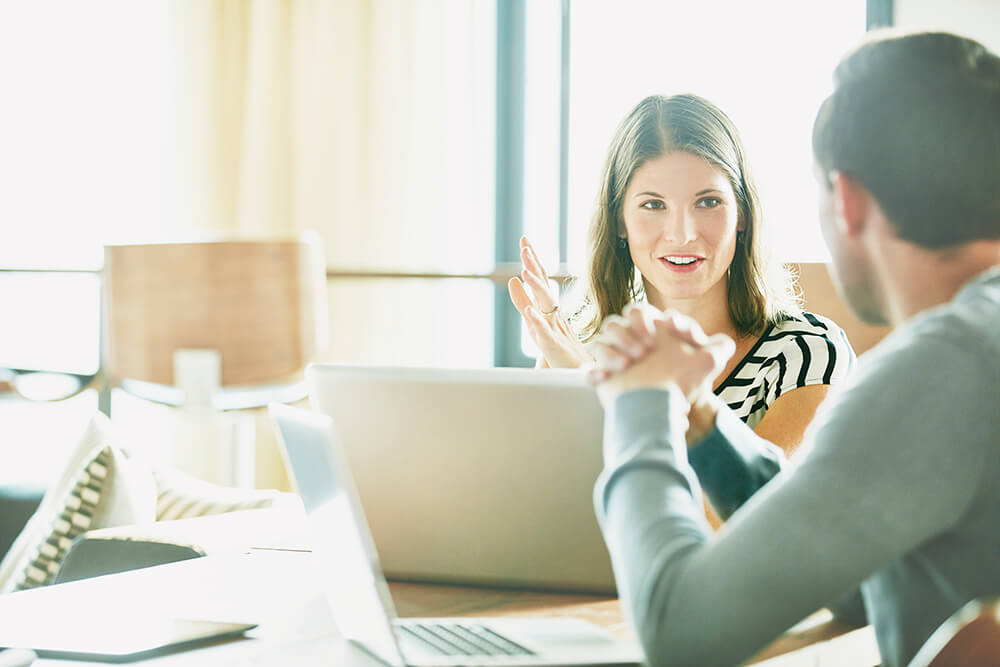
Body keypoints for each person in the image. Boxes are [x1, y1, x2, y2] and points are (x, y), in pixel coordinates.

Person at [586, 29, 1000, 667]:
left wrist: (642, 403)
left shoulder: (940, 366)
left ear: (847, 200)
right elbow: (855, 570)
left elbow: (679, 633)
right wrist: (703, 423)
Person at [508, 94, 854, 465]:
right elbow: (536, 500)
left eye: (707, 202)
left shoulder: (805, 352)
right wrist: (572, 381)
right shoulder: (579, 351)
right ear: (619, 220)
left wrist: (605, 400)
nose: (682, 234)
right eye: (653, 205)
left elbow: (742, 516)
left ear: (742, 215)